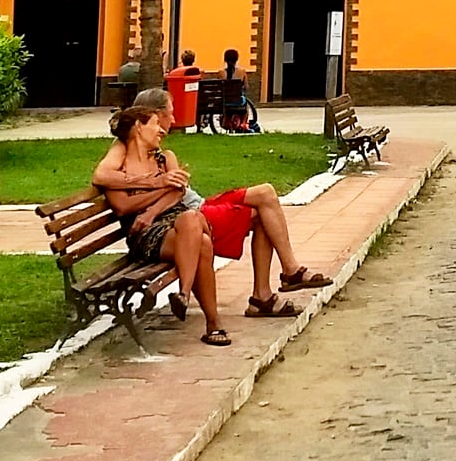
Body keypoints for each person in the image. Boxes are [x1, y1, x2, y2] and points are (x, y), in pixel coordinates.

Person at [94, 101, 331, 342]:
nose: (164, 129)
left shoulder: (164, 159)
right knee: (202, 238)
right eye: (157, 123)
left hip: (178, 221)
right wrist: (159, 185)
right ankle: (212, 321)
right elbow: (123, 205)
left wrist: (160, 195)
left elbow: (178, 191)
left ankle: (185, 296)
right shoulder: (121, 167)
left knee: (194, 223)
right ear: (138, 127)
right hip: (147, 235)